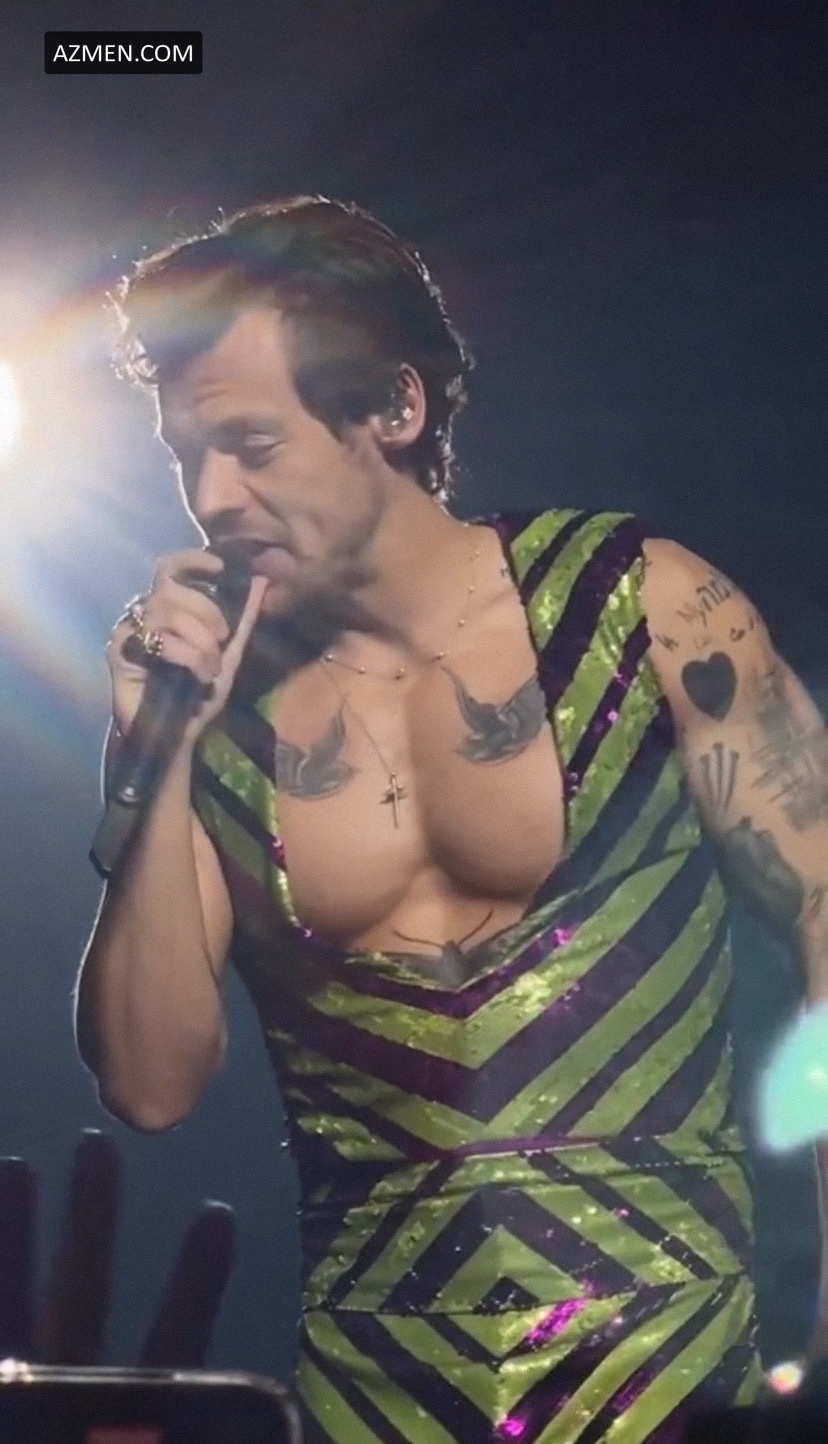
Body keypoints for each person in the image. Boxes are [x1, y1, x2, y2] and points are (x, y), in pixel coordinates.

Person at [75, 196, 828, 1443]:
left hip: (677, 1379)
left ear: (395, 408)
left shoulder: (639, 605)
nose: (212, 495)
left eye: (251, 444)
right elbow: (149, 1086)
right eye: (186, 455)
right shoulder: (215, 716)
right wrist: (156, 752)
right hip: (378, 1399)